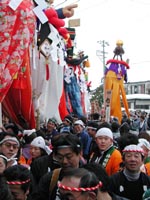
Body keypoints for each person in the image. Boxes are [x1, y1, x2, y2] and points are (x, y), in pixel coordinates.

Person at [31, 133, 83, 200]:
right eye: (60, 157)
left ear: (80, 154)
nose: (64, 161)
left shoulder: (89, 179)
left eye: (69, 156)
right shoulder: (50, 179)